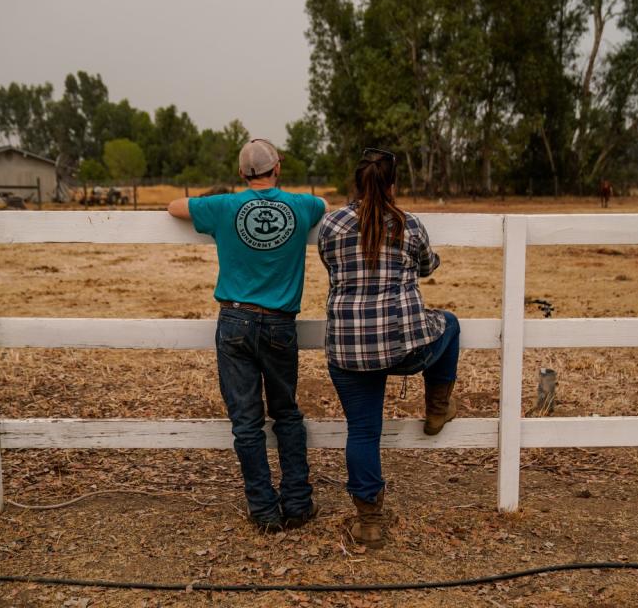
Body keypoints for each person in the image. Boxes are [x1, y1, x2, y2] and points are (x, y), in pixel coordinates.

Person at [168, 138, 327, 532]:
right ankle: (297, 502)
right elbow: (323, 205)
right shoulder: (303, 205)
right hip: (279, 323)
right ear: (279, 167)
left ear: (241, 174)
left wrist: (219, 200)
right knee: (286, 413)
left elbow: (174, 207)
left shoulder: (223, 208)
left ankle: (264, 510)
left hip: (235, 321)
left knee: (246, 421)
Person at [317, 147, 460, 550]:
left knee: (363, 431)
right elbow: (428, 266)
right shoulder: (408, 225)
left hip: (348, 348)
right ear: (393, 185)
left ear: (356, 184)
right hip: (402, 346)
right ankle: (436, 407)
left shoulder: (331, 225)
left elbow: (330, 264)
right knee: (449, 324)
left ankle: (370, 523)